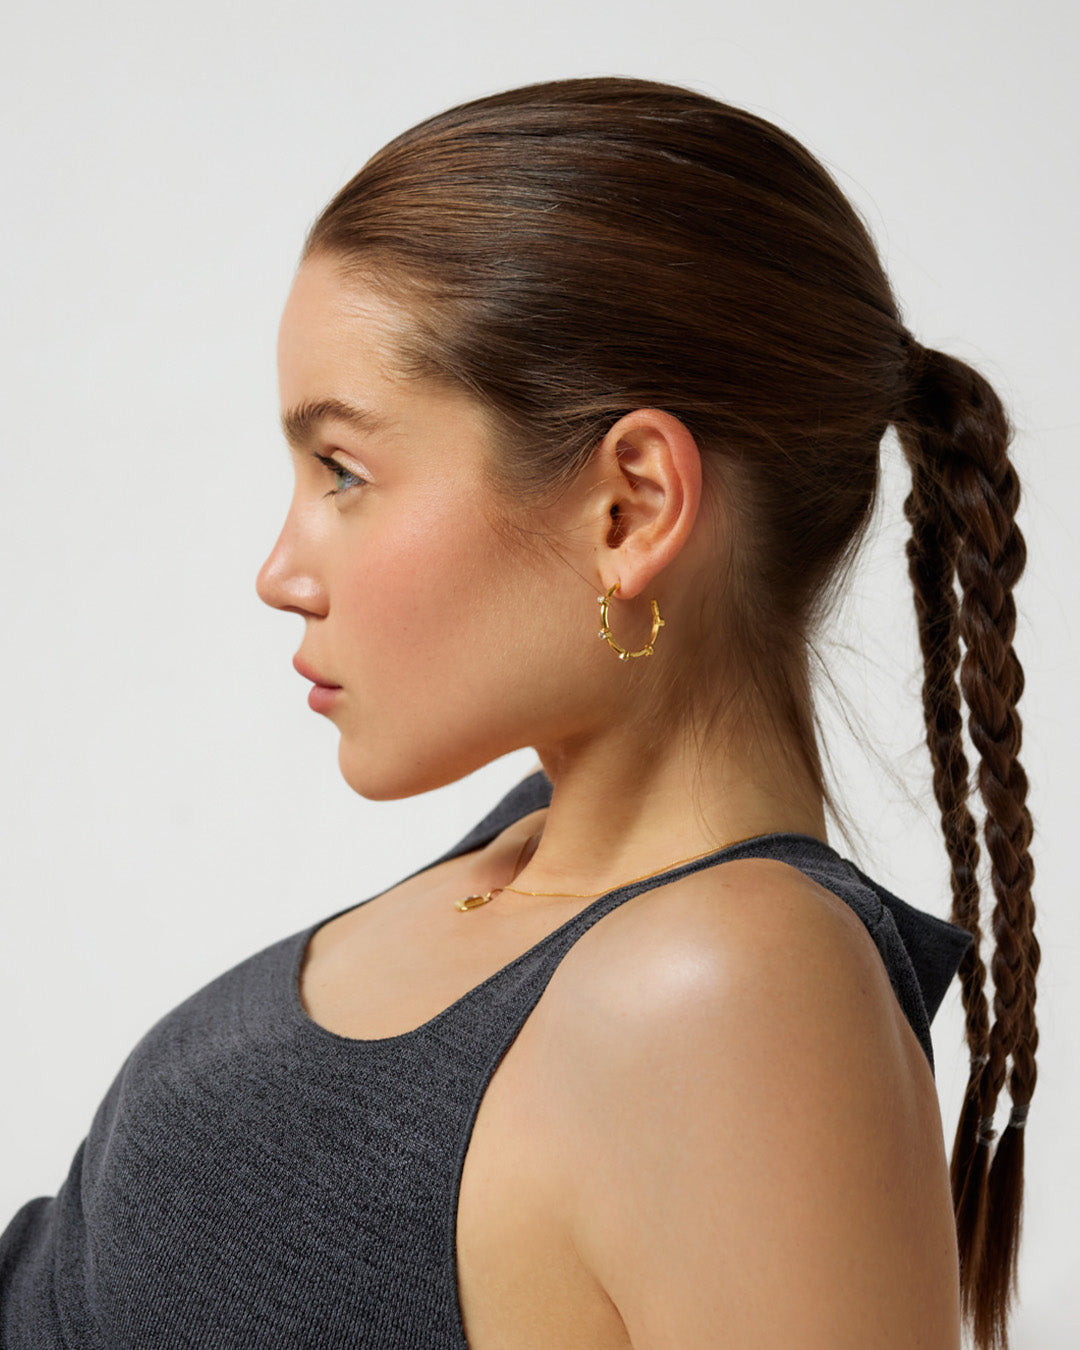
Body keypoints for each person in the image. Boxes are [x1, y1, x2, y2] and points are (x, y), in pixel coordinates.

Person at [0, 76, 1037, 1350]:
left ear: (630, 509)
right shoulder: (535, 850)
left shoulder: (729, 990)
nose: (280, 571)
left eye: (343, 471)